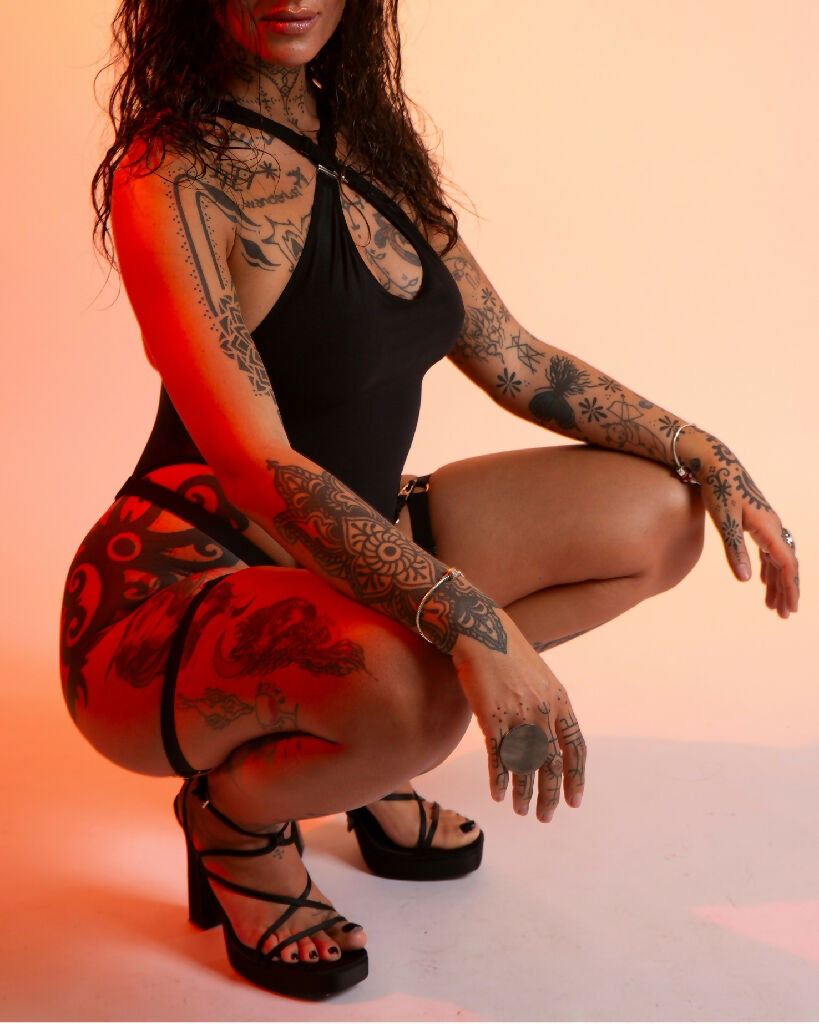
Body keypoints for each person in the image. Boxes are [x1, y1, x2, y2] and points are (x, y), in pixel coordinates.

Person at [60, 0, 799, 1002]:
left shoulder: (368, 142)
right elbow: (257, 466)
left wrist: (705, 451)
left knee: (659, 520)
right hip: (173, 594)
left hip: (348, 549)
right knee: (419, 696)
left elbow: (516, 359)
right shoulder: (170, 173)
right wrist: (470, 621)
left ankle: (361, 743)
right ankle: (236, 819)